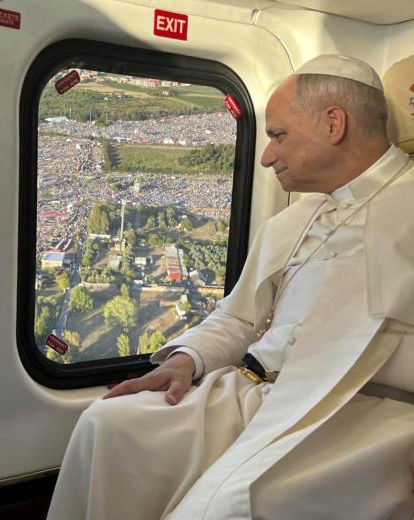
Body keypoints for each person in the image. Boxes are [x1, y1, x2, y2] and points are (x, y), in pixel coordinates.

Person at [47, 54, 414, 520]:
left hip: (356, 418)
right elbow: (239, 317)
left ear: (333, 123)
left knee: (222, 509)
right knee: (106, 425)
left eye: (278, 135)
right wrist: (186, 359)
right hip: (255, 393)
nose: (266, 156)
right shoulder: (296, 220)